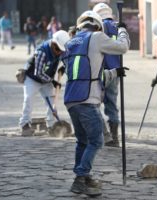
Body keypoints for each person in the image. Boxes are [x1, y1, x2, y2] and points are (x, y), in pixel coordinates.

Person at [62, 10, 129, 196]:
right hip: (87, 99)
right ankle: (80, 177)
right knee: (97, 140)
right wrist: (122, 30)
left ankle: (84, 176)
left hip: (71, 99)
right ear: (97, 25)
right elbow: (122, 47)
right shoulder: (97, 37)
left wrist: (115, 72)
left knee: (82, 141)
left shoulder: (70, 43)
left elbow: (88, 74)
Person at [19, 30, 70, 137]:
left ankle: (51, 126)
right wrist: (53, 82)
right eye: (57, 49)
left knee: (52, 102)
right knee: (28, 98)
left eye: (61, 50)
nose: (59, 52)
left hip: (46, 79)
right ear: (53, 43)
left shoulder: (60, 50)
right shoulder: (42, 51)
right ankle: (24, 125)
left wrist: (64, 67)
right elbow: (38, 73)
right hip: (33, 78)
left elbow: (66, 60)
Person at [93, 2, 121, 147]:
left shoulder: (99, 28)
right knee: (112, 104)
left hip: (101, 70)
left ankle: (104, 134)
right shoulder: (118, 27)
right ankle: (115, 137)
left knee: (93, 102)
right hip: (116, 71)